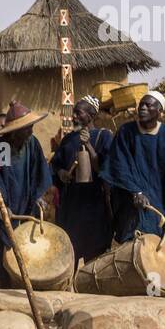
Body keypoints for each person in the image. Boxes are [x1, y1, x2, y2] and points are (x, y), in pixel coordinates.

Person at [98, 91, 165, 258]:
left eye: (148, 105)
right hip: (130, 210)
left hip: (160, 209)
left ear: (159, 111)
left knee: (163, 260)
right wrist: (135, 192)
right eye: (141, 105)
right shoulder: (126, 133)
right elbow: (118, 166)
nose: (142, 108)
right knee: (132, 258)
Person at [0, 102, 52, 287]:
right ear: (15, 130)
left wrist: (39, 196)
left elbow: (39, 173)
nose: (30, 132)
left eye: (31, 128)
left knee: (21, 263)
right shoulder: (1, 147)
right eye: (27, 129)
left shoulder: (32, 145)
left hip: (23, 210)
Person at [49, 96, 113, 264]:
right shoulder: (68, 139)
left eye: (79, 113)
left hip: (94, 205)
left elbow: (105, 169)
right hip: (70, 206)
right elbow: (55, 166)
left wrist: (89, 145)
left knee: (94, 254)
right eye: (74, 114)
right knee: (70, 252)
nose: (74, 117)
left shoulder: (104, 136)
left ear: (91, 115)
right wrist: (62, 173)